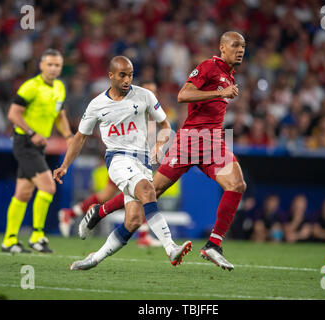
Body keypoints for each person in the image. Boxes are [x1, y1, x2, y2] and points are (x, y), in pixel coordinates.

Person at [79, 31, 247, 271]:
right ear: (222, 47)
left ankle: (213, 245)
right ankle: (101, 210)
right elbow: (183, 95)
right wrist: (220, 93)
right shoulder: (209, 67)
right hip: (190, 140)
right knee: (152, 190)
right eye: (235, 45)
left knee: (237, 184)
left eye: (243, 46)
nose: (240, 50)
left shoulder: (229, 75)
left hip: (213, 141)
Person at [53, 56, 192, 270]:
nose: (127, 80)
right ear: (111, 76)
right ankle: (171, 247)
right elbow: (80, 137)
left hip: (142, 161)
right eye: (122, 75)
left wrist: (159, 145)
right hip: (118, 159)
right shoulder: (97, 105)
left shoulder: (145, 95)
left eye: (130, 75)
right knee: (148, 191)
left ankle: (93, 258)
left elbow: (165, 124)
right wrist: (64, 165)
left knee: (134, 220)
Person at [58, 81, 167, 248]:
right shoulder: (131, 108)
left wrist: (157, 148)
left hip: (139, 160)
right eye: (149, 90)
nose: (152, 94)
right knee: (143, 191)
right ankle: (143, 235)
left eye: (154, 91)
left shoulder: (149, 114)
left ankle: (71, 213)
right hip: (124, 160)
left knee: (113, 194)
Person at [1, 49, 74, 253]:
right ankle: (37, 236)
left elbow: (60, 116)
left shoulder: (60, 87)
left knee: (23, 193)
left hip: (39, 145)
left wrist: (69, 137)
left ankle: (9, 240)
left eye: (57, 65)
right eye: (49, 64)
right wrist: (32, 133)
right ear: (41, 66)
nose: (53, 68)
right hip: (25, 142)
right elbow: (13, 114)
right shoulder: (31, 86)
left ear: (61, 67)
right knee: (48, 187)